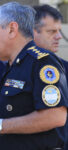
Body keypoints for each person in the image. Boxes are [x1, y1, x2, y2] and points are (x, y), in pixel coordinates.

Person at [0, 2, 68, 150]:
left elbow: (55, 116)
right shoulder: (9, 67)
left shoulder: (42, 62)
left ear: (12, 29)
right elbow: (18, 126)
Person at [33, 4, 68, 146]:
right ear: (32, 32)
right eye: (52, 31)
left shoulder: (64, 68)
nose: (59, 37)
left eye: (59, 31)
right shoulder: (7, 67)